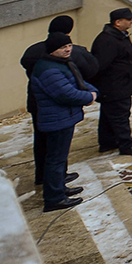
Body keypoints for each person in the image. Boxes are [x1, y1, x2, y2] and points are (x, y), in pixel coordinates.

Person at [20, 16, 98, 191]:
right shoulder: (63, 56)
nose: (67, 49)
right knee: (57, 150)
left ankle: (44, 176)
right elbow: (90, 70)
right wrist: (88, 95)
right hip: (57, 106)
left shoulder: (33, 51)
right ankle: (57, 181)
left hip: (37, 102)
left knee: (42, 141)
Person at [90, 7, 132, 155]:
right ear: (118, 22)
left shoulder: (119, 36)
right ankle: (127, 145)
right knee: (120, 116)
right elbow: (100, 65)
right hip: (115, 87)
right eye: (128, 19)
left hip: (119, 85)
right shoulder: (108, 40)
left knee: (109, 115)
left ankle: (107, 142)